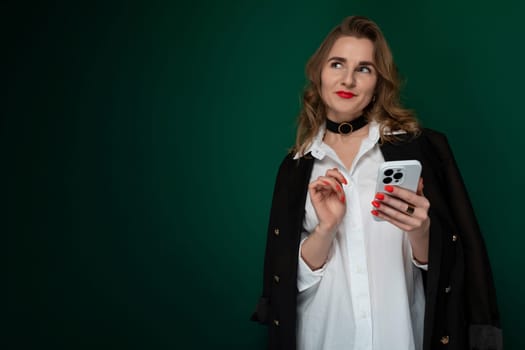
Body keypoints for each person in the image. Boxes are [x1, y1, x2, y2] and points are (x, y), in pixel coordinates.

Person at [251, 15, 502, 350]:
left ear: (378, 83)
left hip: (399, 337)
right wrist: (326, 229)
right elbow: (288, 283)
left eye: (364, 69)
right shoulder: (295, 167)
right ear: (319, 73)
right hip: (321, 337)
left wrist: (420, 230)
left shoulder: (422, 149)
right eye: (337, 64)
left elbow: (456, 265)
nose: (348, 79)